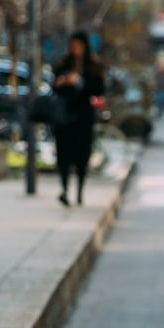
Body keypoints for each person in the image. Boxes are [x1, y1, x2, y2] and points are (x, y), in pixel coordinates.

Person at [52, 30, 105, 206]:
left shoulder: (93, 65)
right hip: (64, 116)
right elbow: (55, 86)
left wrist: (80, 82)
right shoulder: (64, 62)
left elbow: (98, 89)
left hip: (83, 117)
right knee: (64, 155)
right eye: (72, 45)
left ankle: (79, 192)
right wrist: (64, 81)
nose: (75, 49)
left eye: (78, 45)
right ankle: (65, 190)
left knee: (82, 155)